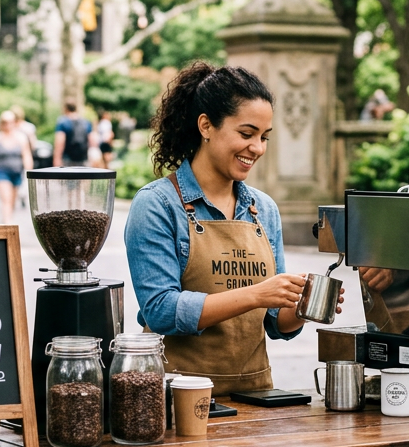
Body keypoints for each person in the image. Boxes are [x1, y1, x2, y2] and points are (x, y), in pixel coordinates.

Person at [124, 63, 335, 395]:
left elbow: (274, 322)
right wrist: (256, 294)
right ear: (206, 126)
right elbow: (162, 311)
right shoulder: (157, 205)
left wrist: (302, 307)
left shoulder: (263, 209)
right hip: (175, 395)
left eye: (264, 137)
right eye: (246, 134)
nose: (258, 148)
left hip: (256, 395)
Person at [0, 111, 34, 225]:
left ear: (15, 122)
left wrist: (28, 172)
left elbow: (26, 155)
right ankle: (8, 223)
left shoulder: (21, 137)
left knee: (13, 201)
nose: (7, 125)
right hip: (1, 172)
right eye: (4, 122)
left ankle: (7, 219)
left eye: (10, 122)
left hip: (16, 172)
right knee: (6, 198)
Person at [53, 102, 93, 167]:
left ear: (66, 109)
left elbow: (60, 141)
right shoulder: (86, 122)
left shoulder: (63, 122)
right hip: (83, 159)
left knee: (67, 177)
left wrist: (57, 159)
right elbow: (92, 141)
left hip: (67, 159)